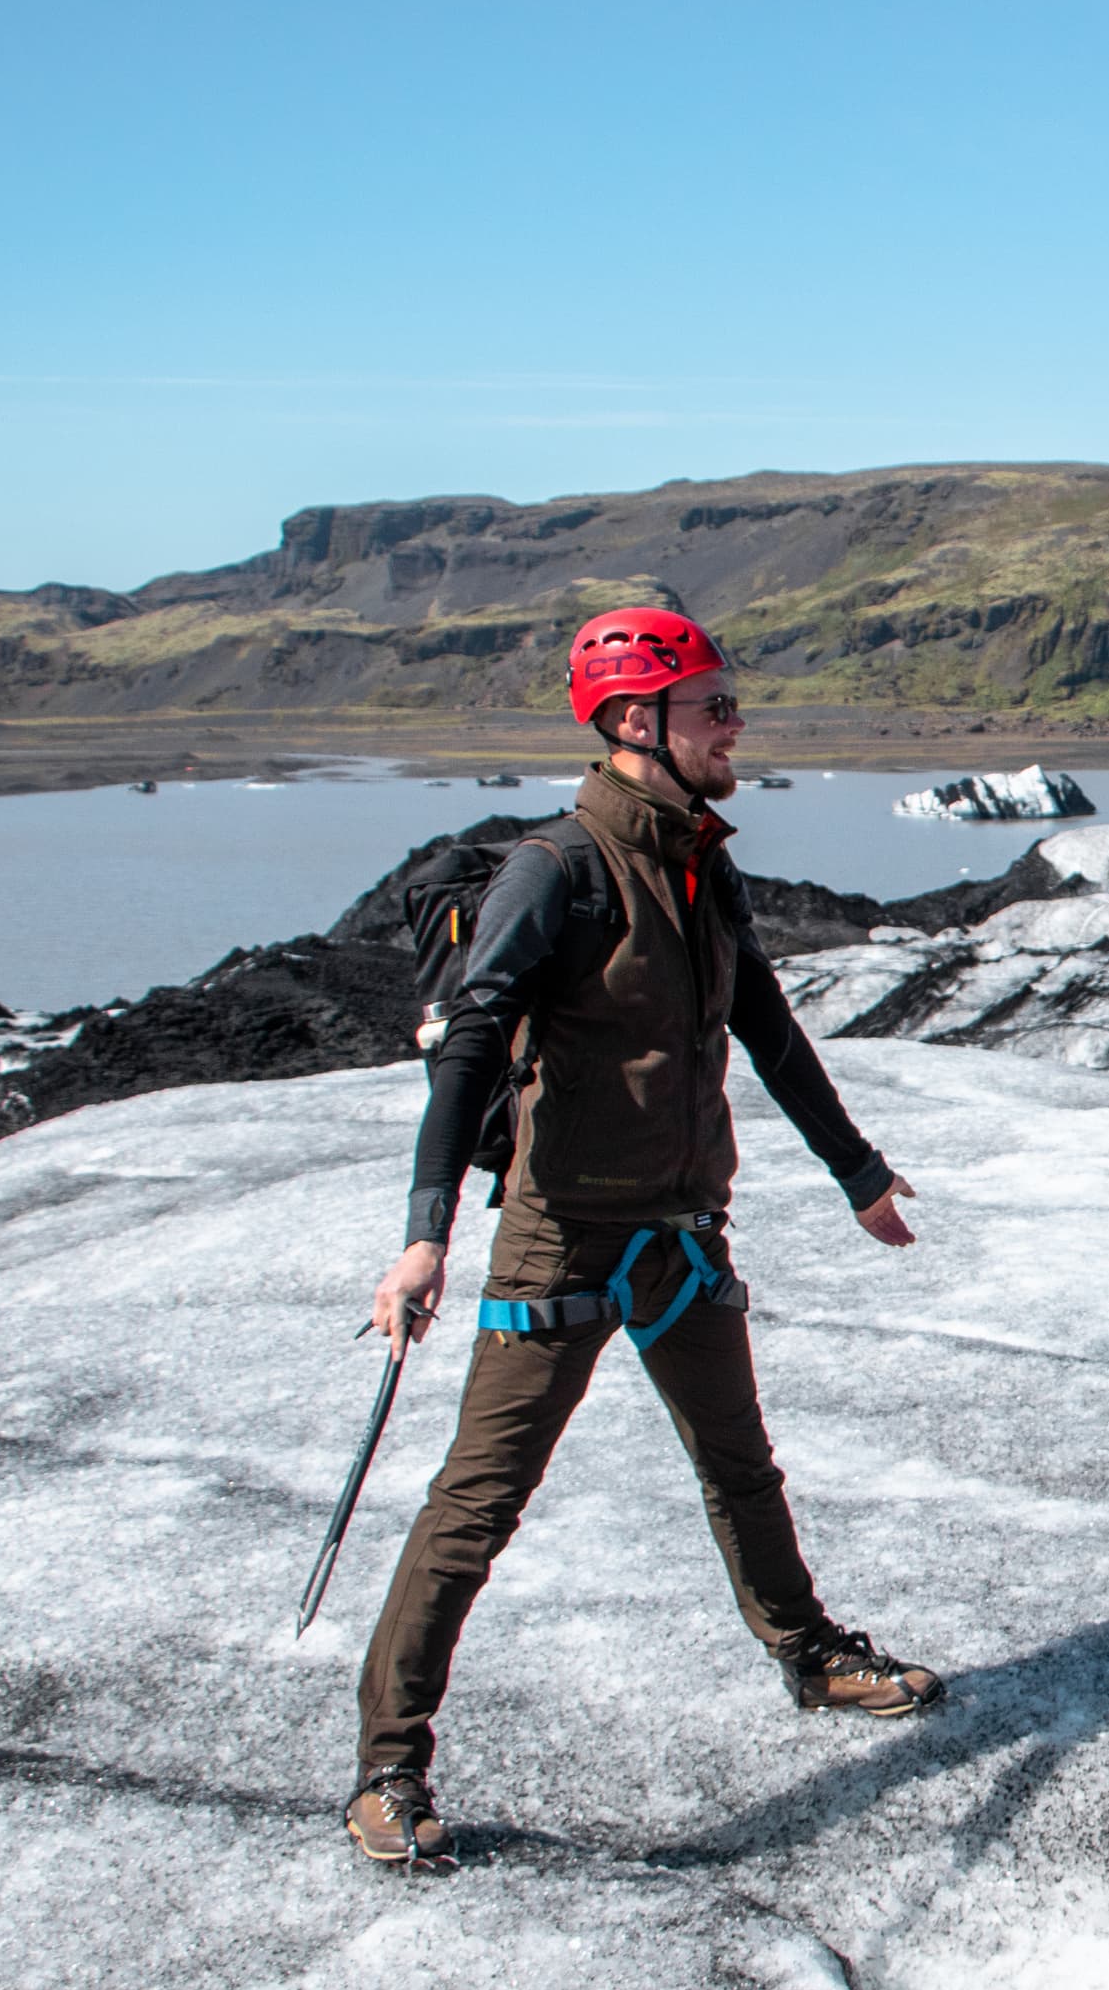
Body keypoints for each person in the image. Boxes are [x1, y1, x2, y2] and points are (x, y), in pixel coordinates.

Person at [345, 605, 944, 1868]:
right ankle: (389, 1768)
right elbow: (466, 1045)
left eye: (730, 705)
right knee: (478, 1504)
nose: (736, 726)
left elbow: (768, 1031)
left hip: (682, 1234)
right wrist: (425, 1235)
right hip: (559, 1241)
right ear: (635, 722)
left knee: (743, 1467)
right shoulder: (554, 871)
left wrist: (859, 1175)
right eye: (713, 708)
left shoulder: (698, 864)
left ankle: (809, 1655)